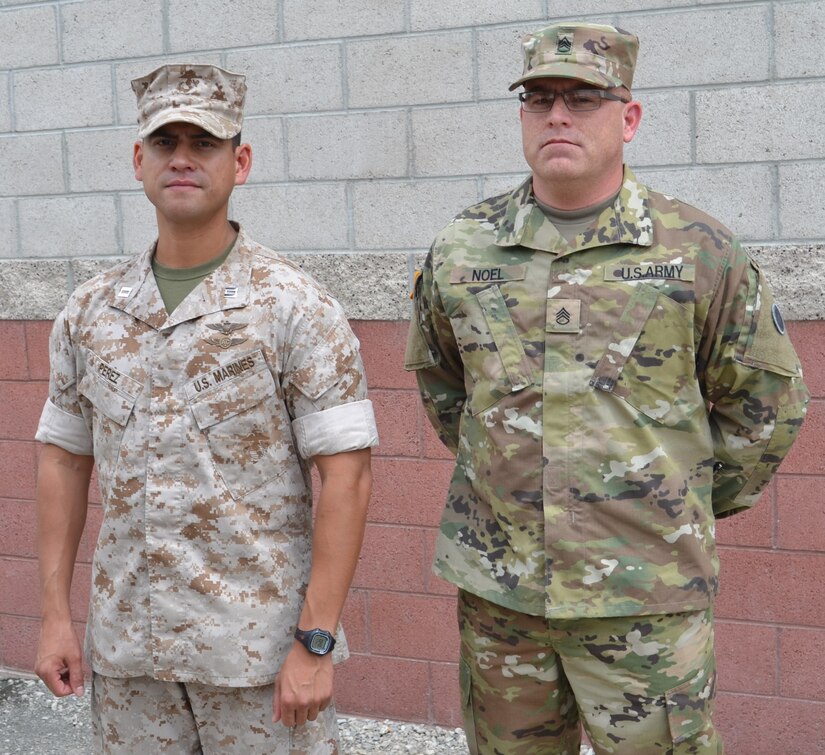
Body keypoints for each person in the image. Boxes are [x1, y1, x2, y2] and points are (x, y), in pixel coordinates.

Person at [405, 22, 809, 755]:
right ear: (522, 116)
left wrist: (669, 499)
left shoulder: (696, 248)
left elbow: (765, 406)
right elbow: (445, 390)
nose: (557, 115)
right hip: (504, 597)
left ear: (628, 117)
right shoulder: (462, 248)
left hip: (643, 602)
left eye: (584, 98)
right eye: (538, 99)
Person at [34, 64, 378, 754]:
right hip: (132, 653)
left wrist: (316, 640)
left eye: (205, 142)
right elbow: (64, 460)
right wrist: (53, 615)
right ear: (139, 160)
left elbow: (347, 477)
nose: (183, 158)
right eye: (165, 142)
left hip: (255, 659)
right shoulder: (89, 313)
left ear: (239, 161)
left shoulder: (293, 307)